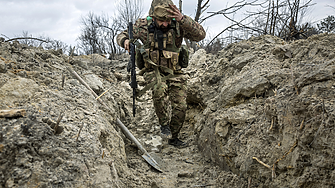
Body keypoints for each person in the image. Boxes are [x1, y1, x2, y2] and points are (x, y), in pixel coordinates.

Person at [116, 0, 206, 147]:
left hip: (175, 72)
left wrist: (182, 19)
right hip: (152, 70)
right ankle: (164, 125)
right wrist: (125, 41)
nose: (165, 24)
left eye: (167, 21)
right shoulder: (143, 25)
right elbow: (121, 35)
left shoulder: (178, 24)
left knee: (181, 106)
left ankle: (174, 136)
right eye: (161, 21)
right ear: (153, 17)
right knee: (159, 88)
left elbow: (200, 35)